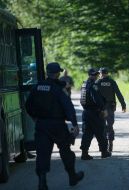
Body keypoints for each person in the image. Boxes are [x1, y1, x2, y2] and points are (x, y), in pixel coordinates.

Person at [25, 62, 84, 190]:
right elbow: (68, 106)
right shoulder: (59, 89)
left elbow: (28, 105)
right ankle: (72, 177)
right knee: (65, 151)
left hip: (41, 125)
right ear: (57, 74)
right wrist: (74, 124)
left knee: (42, 154)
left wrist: (35, 118)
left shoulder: (37, 87)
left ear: (47, 72)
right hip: (57, 125)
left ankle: (42, 183)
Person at [80, 68, 111, 160]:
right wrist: (102, 109)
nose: (96, 76)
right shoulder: (93, 86)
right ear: (89, 75)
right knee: (101, 132)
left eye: (96, 74)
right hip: (95, 112)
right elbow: (97, 99)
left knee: (87, 133)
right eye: (94, 75)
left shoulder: (84, 84)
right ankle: (104, 152)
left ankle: (84, 153)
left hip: (86, 112)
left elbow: (82, 100)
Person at [96, 67, 126, 152]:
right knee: (109, 125)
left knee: (102, 126)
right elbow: (118, 93)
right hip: (110, 107)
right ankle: (110, 143)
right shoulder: (112, 82)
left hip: (101, 108)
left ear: (101, 74)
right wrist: (123, 105)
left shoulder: (98, 82)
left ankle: (103, 145)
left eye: (100, 74)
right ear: (107, 73)